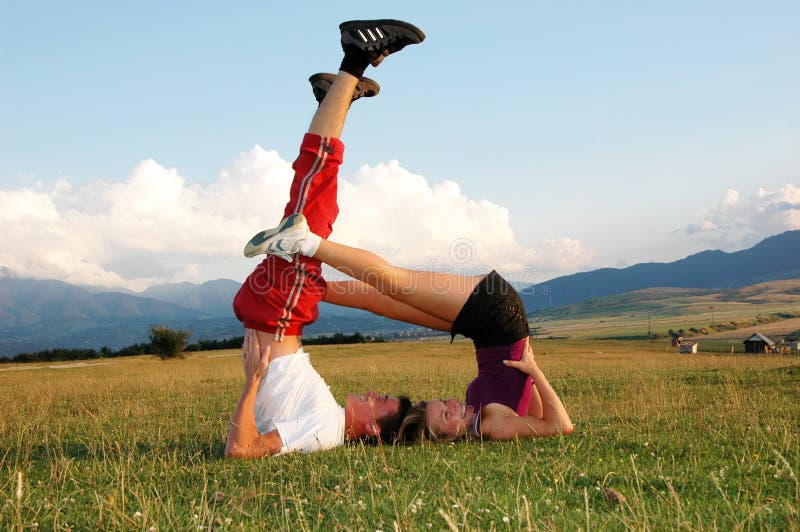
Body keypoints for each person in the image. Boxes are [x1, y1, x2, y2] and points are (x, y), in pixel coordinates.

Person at [225, 19, 425, 459]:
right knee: (318, 197)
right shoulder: (328, 421)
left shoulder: (326, 431)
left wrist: (253, 381)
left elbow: (242, 451)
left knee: (314, 187)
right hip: (279, 314)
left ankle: (355, 55)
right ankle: (334, 99)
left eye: (380, 401)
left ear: (372, 427)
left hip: (280, 312)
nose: (373, 393)